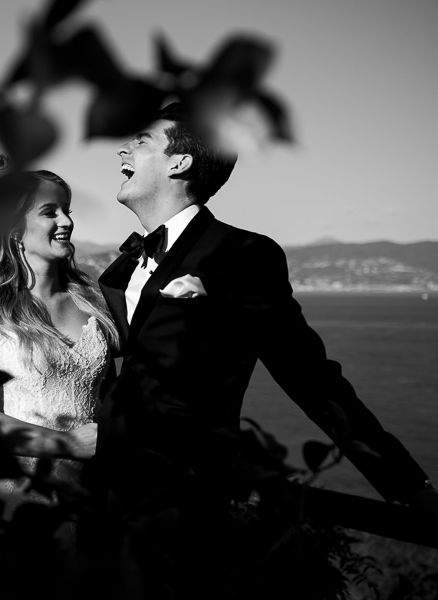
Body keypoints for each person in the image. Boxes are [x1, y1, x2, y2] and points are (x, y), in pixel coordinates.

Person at [86, 101, 438, 596]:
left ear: (180, 162)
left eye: (142, 140)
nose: (124, 148)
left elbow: (309, 376)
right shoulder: (118, 273)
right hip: (104, 498)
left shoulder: (243, 255)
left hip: (183, 507)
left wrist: (407, 484)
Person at [0, 169, 120, 552]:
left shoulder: (95, 304)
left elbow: (111, 398)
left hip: (98, 495)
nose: (66, 222)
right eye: (50, 212)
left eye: (67, 210)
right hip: (24, 498)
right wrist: (67, 445)